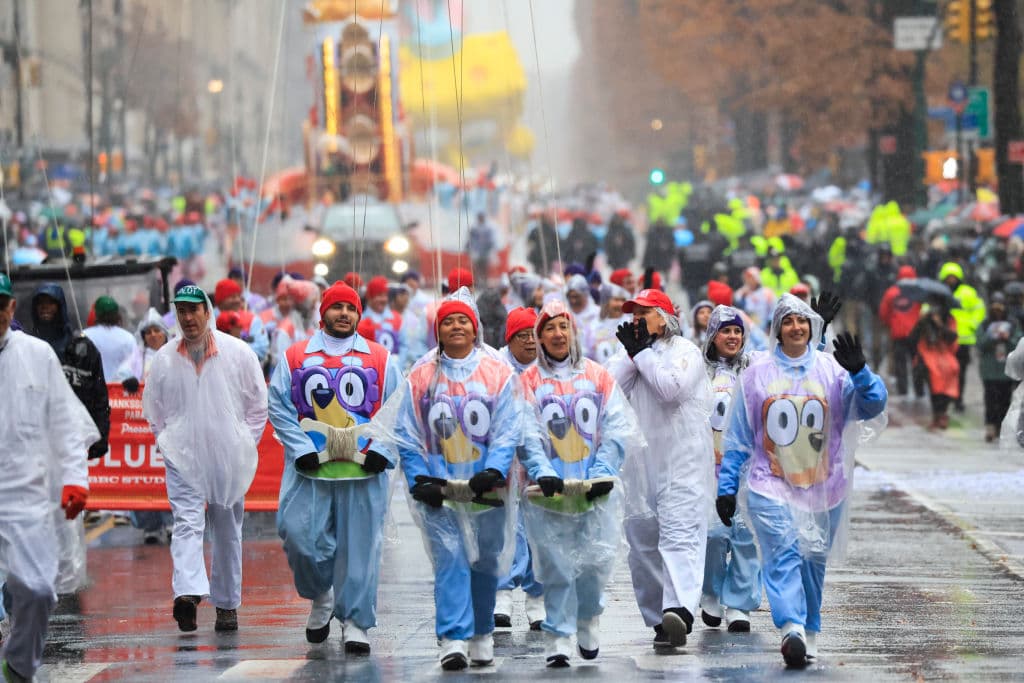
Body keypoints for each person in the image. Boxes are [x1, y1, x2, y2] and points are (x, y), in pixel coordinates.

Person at [717, 295, 887, 667]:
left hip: (824, 488)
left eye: (802, 321)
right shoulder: (756, 375)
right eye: (789, 321)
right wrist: (727, 487)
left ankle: (809, 630)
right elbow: (739, 437)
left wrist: (861, 373)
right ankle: (790, 628)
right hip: (769, 485)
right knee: (783, 555)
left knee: (812, 560)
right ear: (777, 329)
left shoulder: (832, 370)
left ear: (812, 328)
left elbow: (872, 406)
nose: (796, 327)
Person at [373, 288, 521, 670]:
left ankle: (482, 632)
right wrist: (419, 477)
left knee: (485, 560)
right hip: (440, 488)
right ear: (437, 331)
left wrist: (495, 468)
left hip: (487, 488)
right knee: (451, 558)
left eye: (462, 321)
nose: (455, 326)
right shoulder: (421, 376)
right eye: (447, 321)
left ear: (476, 330)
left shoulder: (498, 374)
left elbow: (508, 428)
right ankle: (453, 636)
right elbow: (406, 432)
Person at [269, 282, 401, 651]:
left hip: (363, 470)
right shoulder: (295, 355)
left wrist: (382, 451)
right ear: (322, 312)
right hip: (310, 470)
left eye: (351, 309)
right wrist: (299, 447)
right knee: (299, 537)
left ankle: (355, 621)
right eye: (337, 307)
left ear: (359, 315)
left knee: (360, 547)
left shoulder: (381, 357)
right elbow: (277, 404)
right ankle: (320, 595)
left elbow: (397, 408)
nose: (344, 314)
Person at [517, 301, 638, 666]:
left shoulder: (599, 376)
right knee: (553, 565)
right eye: (549, 328)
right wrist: (542, 472)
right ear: (539, 337)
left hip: (593, 490)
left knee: (593, 565)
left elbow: (617, 427)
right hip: (547, 493)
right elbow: (524, 431)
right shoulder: (527, 381)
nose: (557, 334)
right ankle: (559, 634)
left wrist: (602, 471)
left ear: (574, 333)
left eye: (563, 326)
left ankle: (587, 616)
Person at [142, 284, 268, 633]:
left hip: (227, 457)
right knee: (186, 522)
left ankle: (226, 604)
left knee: (226, 529)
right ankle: (187, 593)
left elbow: (258, 406)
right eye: (181, 311)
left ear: (206, 312)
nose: (187, 318)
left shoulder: (238, 353)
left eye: (193, 310)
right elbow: (154, 410)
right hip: (183, 458)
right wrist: (167, 443)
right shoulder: (164, 359)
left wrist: (245, 445)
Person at [0, 273, 99, 683]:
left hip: (26, 497)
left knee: (39, 592)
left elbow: (65, 423)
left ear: (10, 309)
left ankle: (19, 666)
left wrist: (76, 478)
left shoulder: (38, 355)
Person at [608, 287, 713, 649]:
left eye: (645, 312)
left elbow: (671, 389)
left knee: (680, 534)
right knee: (642, 541)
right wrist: (632, 354)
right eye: (634, 314)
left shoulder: (687, 352)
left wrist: (641, 354)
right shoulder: (632, 354)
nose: (637, 319)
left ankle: (680, 609)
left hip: (682, 462)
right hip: (642, 465)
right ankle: (659, 618)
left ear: (665, 317)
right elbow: (608, 390)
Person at [700, 305, 761, 633]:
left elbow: (794, 364)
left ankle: (738, 603)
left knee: (745, 536)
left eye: (738, 331)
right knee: (713, 534)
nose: (733, 336)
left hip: (748, 470)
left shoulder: (754, 369)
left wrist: (819, 337)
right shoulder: (699, 370)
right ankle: (710, 591)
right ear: (713, 335)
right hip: (708, 468)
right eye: (726, 330)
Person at [493, 307, 545, 630]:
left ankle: (537, 598)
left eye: (533, 335)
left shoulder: (548, 368)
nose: (529, 342)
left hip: (539, 459)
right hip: (504, 460)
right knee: (505, 527)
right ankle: (502, 595)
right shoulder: (495, 367)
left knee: (539, 527)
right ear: (509, 339)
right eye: (521, 336)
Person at [30, 284, 109, 462]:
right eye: (41, 303)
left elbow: (99, 395)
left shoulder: (82, 347)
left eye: (50, 303)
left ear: (61, 306)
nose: (45, 308)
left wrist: (102, 434)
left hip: (73, 435)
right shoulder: (27, 346)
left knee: (72, 487)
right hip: (35, 437)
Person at [939, 262, 986, 412]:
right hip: (945, 340)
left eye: (953, 277)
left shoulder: (968, 292)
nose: (951, 280)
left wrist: (973, 324)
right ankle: (946, 398)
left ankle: (958, 399)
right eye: (948, 277)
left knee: (961, 372)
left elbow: (980, 309)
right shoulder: (940, 293)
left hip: (964, 339)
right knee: (945, 371)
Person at [977, 293, 1022, 442]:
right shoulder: (984, 324)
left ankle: (1000, 426)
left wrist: (1007, 338)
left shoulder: (1013, 324)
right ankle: (990, 426)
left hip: (1006, 371)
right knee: (990, 399)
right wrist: (992, 337)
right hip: (989, 371)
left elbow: (1018, 344)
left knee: (1004, 399)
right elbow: (980, 345)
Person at [910, 300, 960, 430]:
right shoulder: (924, 322)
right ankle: (937, 414)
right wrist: (921, 322)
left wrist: (940, 326)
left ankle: (942, 413)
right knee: (933, 387)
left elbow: (952, 337)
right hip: (929, 357)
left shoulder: (949, 320)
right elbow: (913, 338)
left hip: (945, 357)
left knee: (946, 386)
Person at [878, 266, 922, 398]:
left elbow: (884, 312)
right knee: (917, 361)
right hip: (916, 332)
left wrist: (889, 324)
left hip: (898, 333)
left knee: (900, 363)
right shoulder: (919, 292)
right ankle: (919, 390)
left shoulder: (891, 292)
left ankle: (903, 390)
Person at [214, 278, 269, 363]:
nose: (237, 300)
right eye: (232, 297)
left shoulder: (252, 319)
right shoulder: (210, 319)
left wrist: (234, 350)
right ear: (221, 300)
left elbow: (262, 349)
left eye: (238, 296)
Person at [83, 295, 138, 379]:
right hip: (120, 390)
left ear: (96, 314)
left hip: (93, 390)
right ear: (117, 314)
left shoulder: (85, 336)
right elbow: (135, 367)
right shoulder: (128, 338)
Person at [357, 276, 405, 361]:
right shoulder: (360, 320)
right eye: (379, 295)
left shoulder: (397, 318)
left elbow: (404, 346)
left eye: (385, 295)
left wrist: (397, 367)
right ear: (369, 297)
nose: (383, 299)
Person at [468, 212, 498, 287]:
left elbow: (491, 240)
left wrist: (491, 249)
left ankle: (484, 282)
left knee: (484, 268)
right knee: (477, 268)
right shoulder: (474, 228)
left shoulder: (488, 228)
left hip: (485, 252)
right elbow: (470, 239)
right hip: (477, 251)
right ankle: (477, 282)